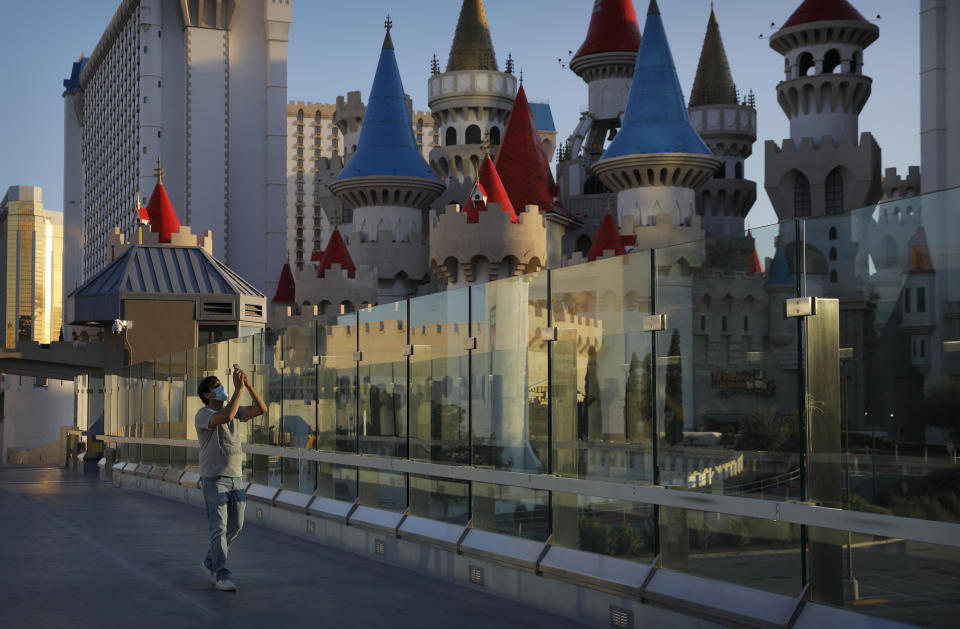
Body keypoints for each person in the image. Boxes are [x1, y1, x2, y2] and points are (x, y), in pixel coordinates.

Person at [195, 366, 267, 591]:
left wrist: (247, 385)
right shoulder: (203, 414)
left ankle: (209, 562)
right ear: (207, 394)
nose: (221, 388)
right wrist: (237, 389)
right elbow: (225, 416)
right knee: (219, 527)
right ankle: (221, 575)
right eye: (216, 386)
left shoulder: (235, 409)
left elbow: (261, 409)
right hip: (214, 479)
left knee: (236, 526)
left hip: (236, 479)